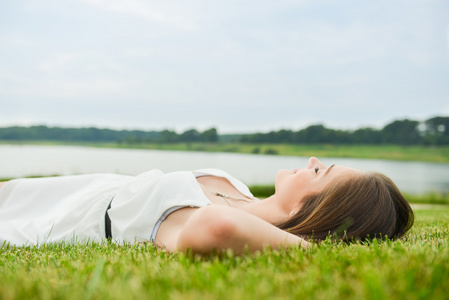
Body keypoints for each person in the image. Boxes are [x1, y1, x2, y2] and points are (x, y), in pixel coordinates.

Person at [0, 157, 414, 254]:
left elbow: (214, 229)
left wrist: (310, 246)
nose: (312, 161)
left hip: (56, 218)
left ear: (309, 211)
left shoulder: (214, 220)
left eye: (321, 172)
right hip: (80, 187)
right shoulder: (239, 191)